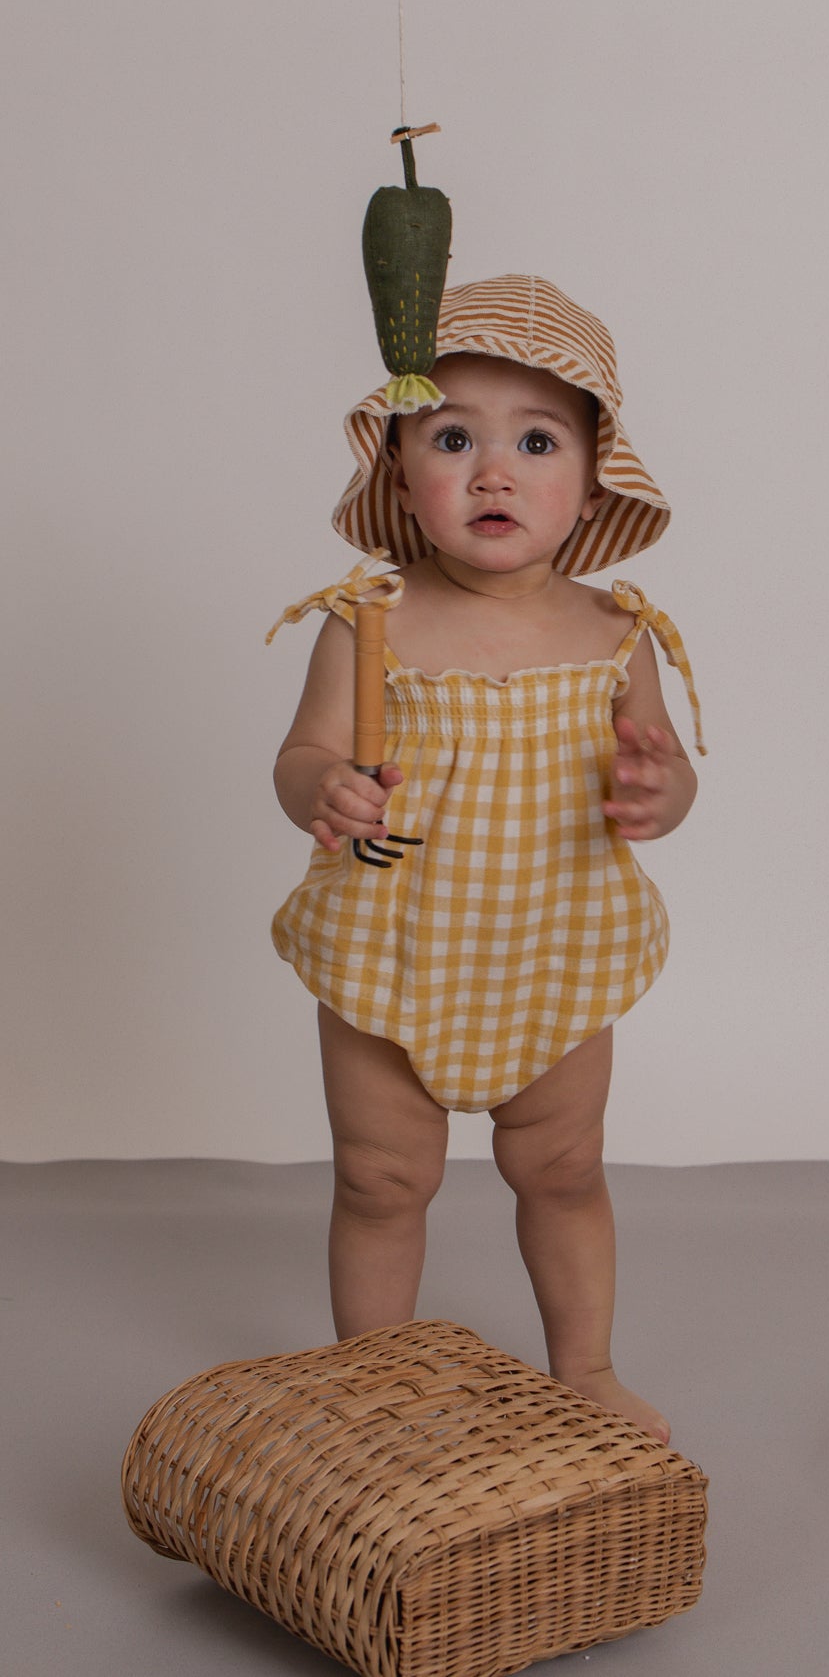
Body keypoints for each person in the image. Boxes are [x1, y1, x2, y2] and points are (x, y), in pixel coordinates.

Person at [268, 275, 704, 1444]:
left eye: (536, 440)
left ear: (596, 473)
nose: (493, 471)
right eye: (453, 438)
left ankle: (589, 1365)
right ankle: (372, 1382)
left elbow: (663, 773)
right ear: (403, 471)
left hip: (553, 950)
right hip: (393, 948)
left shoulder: (618, 634)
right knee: (380, 1179)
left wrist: (661, 791)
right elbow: (301, 753)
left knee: (562, 1169)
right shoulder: (367, 621)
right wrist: (325, 788)